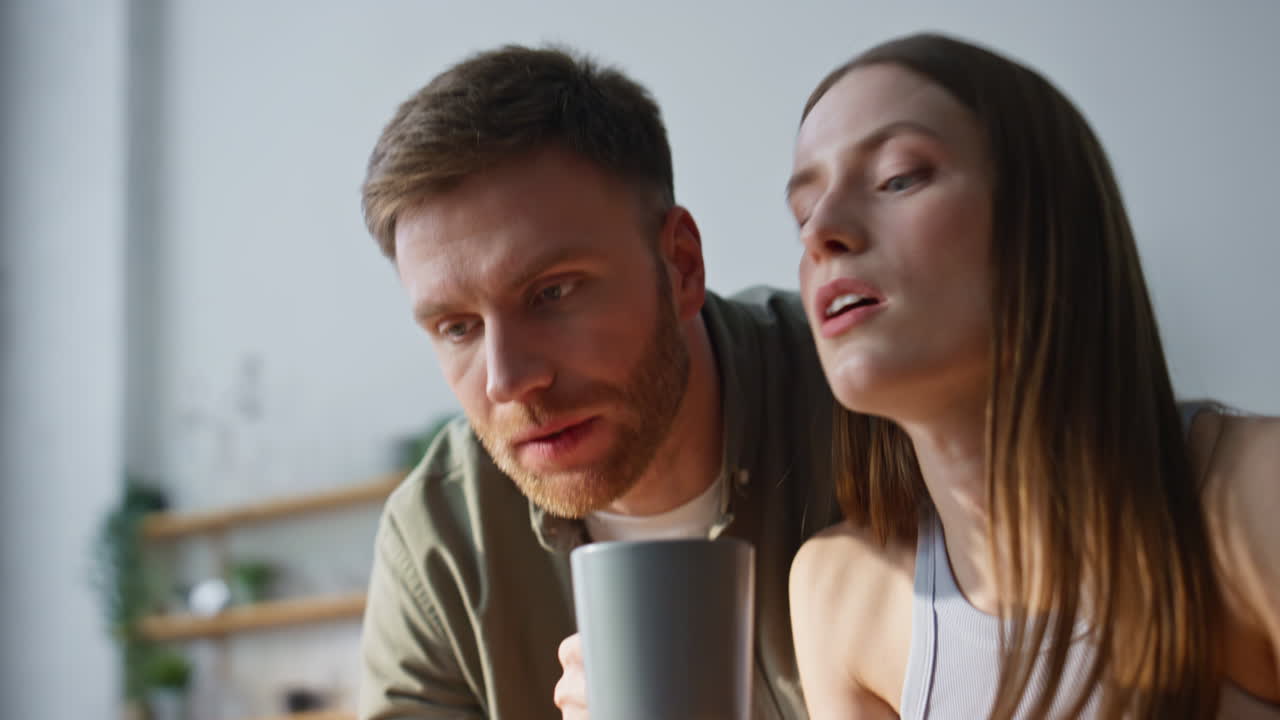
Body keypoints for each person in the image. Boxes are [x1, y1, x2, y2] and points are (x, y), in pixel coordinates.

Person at [785, 33, 1280, 720]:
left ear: (1048, 222)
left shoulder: (1255, 496)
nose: (822, 232)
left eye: (899, 177)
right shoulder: (840, 596)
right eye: (803, 211)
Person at [357, 44, 840, 719]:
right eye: (457, 327)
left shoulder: (863, 403)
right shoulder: (441, 544)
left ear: (681, 266)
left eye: (552, 293)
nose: (509, 381)